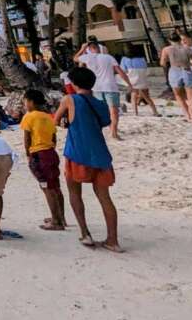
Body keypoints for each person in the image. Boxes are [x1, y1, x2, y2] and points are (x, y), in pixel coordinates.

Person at [53, 66, 122, 251]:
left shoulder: (70, 99)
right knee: (105, 198)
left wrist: (65, 121)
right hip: (100, 154)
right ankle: (112, 240)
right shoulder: (99, 103)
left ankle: (85, 233)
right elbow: (105, 122)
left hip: (77, 153)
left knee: (75, 193)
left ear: (73, 83)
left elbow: (55, 120)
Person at [20, 89, 66, 231]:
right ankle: (60, 217)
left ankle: (56, 221)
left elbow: (27, 138)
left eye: (25, 102)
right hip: (51, 153)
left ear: (31, 102)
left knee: (46, 188)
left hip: (38, 155)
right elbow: (53, 138)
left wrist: (28, 154)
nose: (25, 105)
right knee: (55, 186)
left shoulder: (29, 117)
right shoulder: (48, 117)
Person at [76, 40, 133, 137]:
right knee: (113, 111)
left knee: (103, 110)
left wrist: (82, 49)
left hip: (96, 87)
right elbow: (120, 71)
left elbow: (75, 58)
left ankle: (111, 129)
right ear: (98, 48)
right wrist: (129, 84)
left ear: (89, 49)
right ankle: (114, 132)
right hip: (110, 86)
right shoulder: (108, 57)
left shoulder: (88, 57)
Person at [160, 33, 192, 124]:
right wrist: (188, 63)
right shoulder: (188, 49)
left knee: (179, 96)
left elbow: (162, 63)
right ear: (179, 39)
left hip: (174, 71)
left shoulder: (166, 49)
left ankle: (187, 116)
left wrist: (169, 62)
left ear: (169, 40)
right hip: (187, 71)